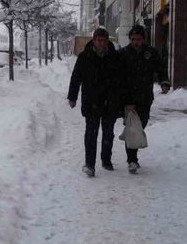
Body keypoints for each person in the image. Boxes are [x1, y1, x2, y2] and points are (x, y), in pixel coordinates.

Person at [67, 27, 123, 177]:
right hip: (91, 101)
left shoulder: (115, 57)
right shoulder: (84, 57)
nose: (101, 43)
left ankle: (106, 160)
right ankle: (90, 164)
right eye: (98, 40)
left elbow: (122, 80)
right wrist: (72, 97)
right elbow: (76, 77)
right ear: (94, 40)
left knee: (108, 133)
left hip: (110, 102)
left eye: (104, 40)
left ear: (107, 41)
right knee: (91, 134)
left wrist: (122, 100)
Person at [120, 25, 170, 174]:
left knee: (141, 124)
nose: (136, 42)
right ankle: (132, 160)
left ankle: (133, 156)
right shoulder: (123, 54)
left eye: (139, 39)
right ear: (130, 39)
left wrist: (164, 81)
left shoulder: (151, 53)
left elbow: (161, 69)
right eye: (133, 39)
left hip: (145, 96)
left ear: (143, 39)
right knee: (131, 127)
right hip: (128, 97)